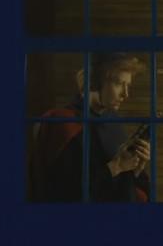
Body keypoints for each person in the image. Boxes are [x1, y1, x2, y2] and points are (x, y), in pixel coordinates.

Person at [28, 52, 151, 203]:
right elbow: (62, 191)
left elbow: (123, 187)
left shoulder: (113, 121)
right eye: (119, 84)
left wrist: (136, 168)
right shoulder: (62, 123)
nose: (126, 94)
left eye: (128, 85)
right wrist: (116, 166)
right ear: (94, 82)